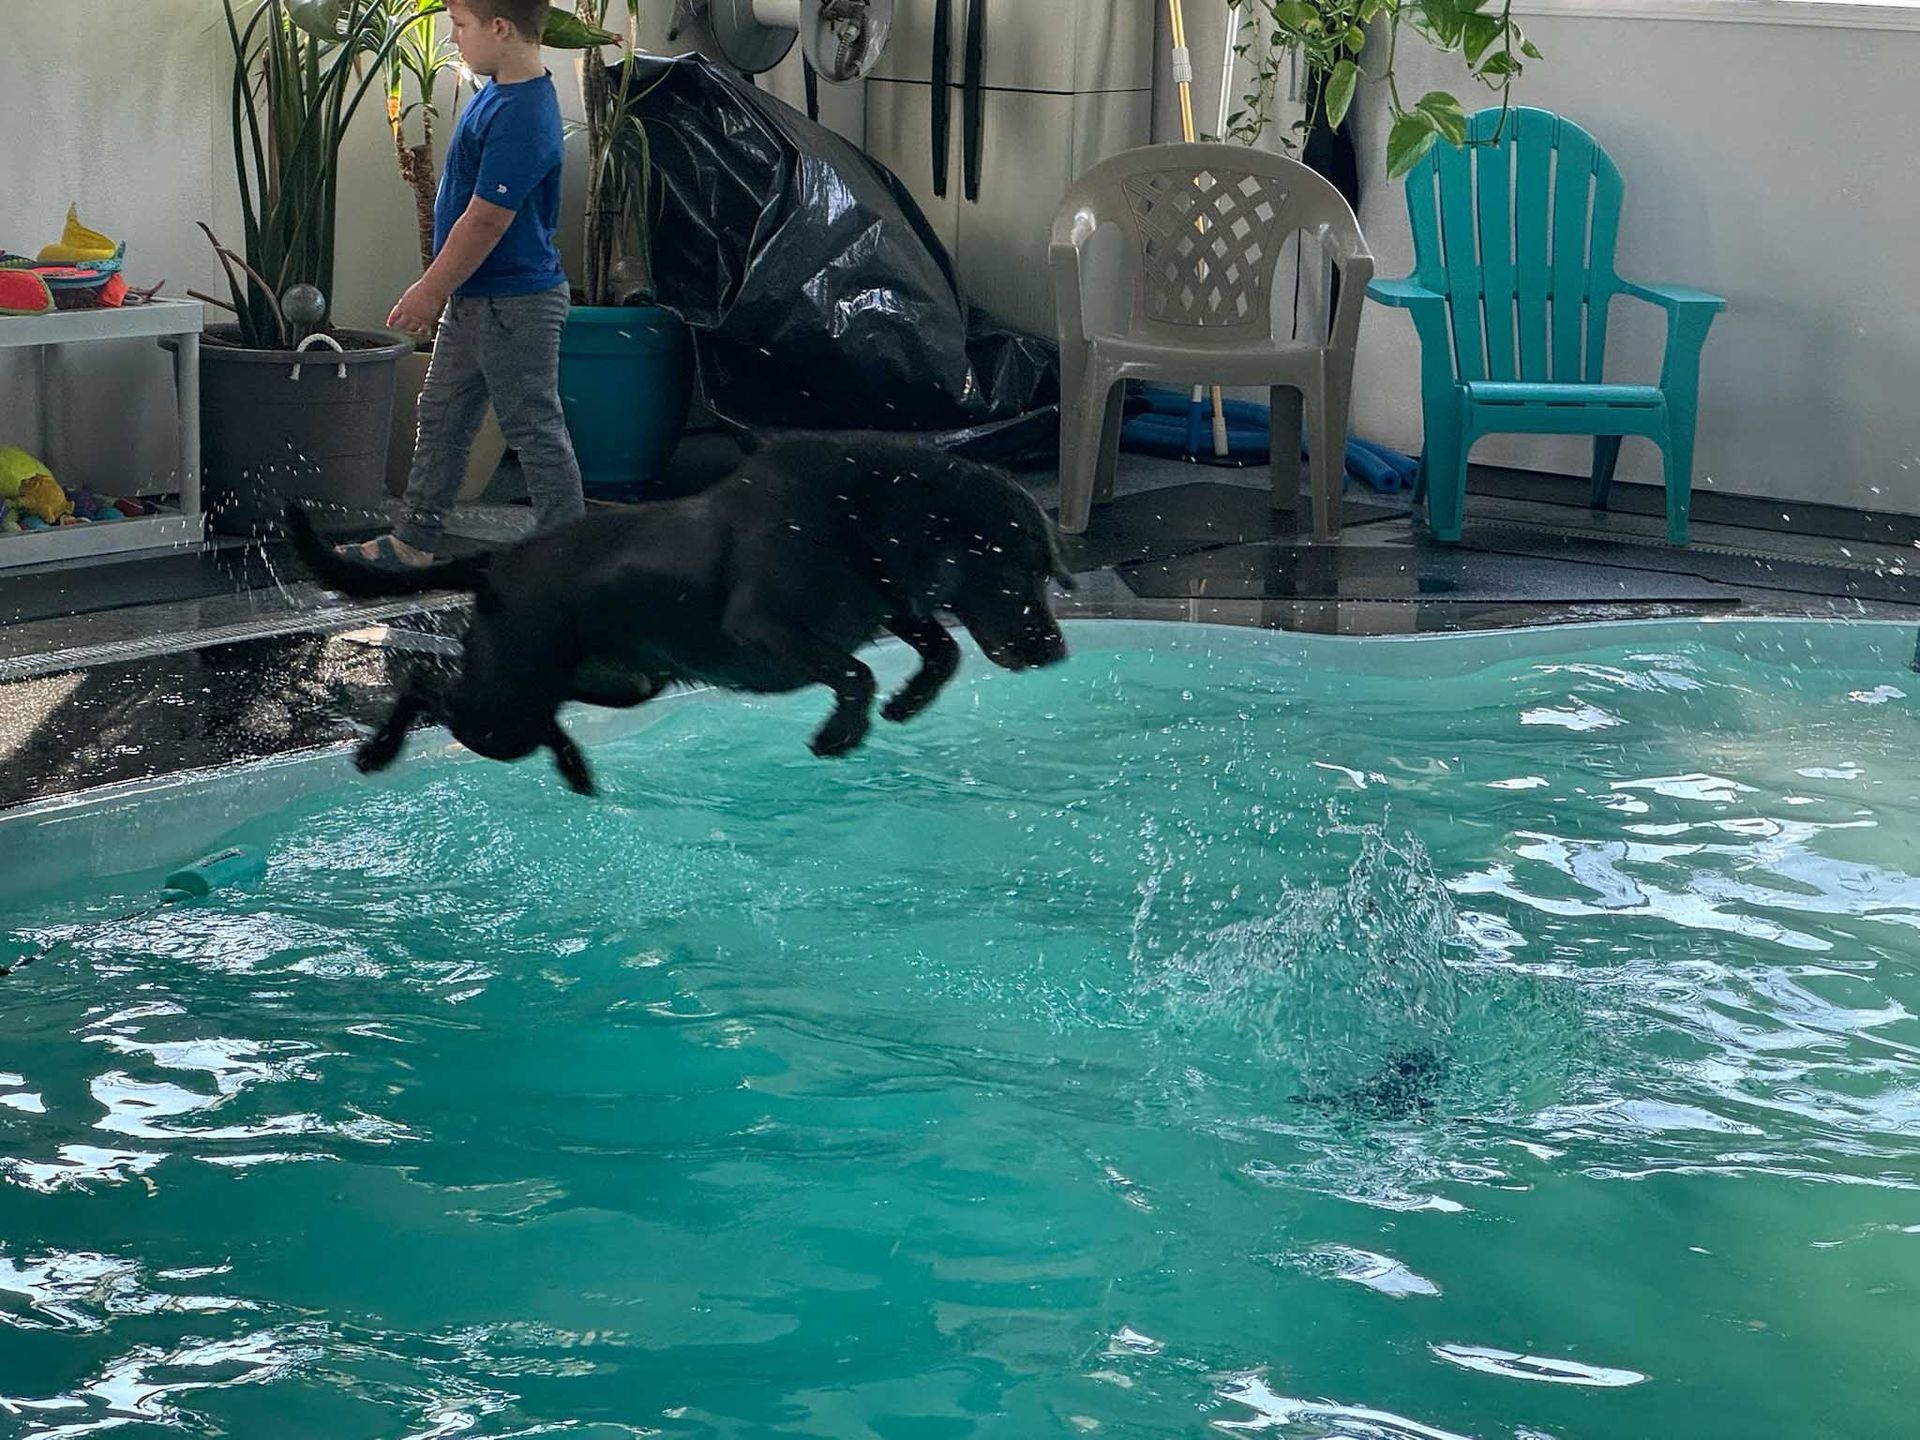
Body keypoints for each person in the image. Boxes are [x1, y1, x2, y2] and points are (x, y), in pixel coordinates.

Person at [344, 0, 582, 567]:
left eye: (460, 26)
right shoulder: (498, 94)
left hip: (516, 301)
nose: (453, 40)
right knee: (443, 413)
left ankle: (573, 559)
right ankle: (414, 542)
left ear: (500, 28)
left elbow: (486, 221)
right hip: (479, 297)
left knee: (533, 426)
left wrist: (427, 291)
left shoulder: (525, 113)